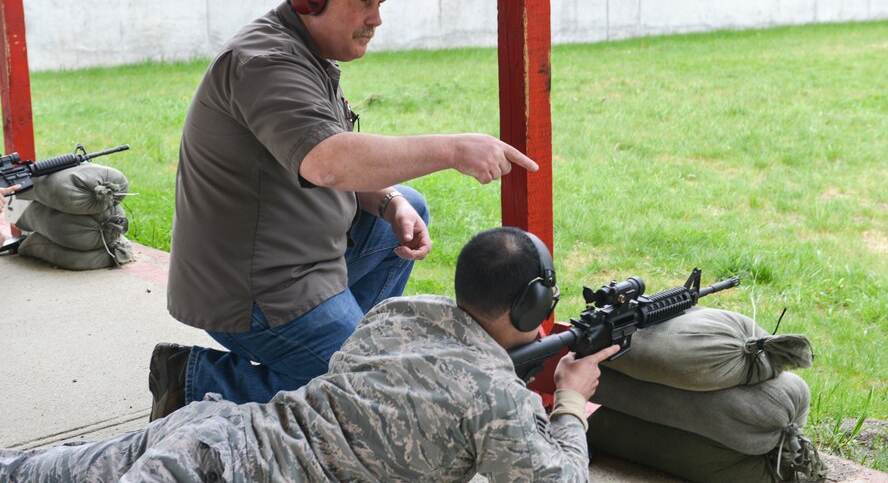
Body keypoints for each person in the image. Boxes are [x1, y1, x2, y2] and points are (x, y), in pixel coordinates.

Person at [152, 0, 539, 422]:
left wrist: (389, 200)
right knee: (378, 399)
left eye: (380, 4)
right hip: (256, 290)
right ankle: (195, 380)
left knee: (409, 207)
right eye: (362, 1)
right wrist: (454, 149)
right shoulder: (265, 63)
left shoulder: (304, 52)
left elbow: (330, 160)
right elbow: (328, 161)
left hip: (294, 258)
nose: (376, 18)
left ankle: (343, 356)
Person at [1, 227, 620, 482]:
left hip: (211, 429)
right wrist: (569, 400)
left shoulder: (400, 313)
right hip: (220, 475)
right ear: (530, 307)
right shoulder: (497, 398)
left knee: (26, 469)